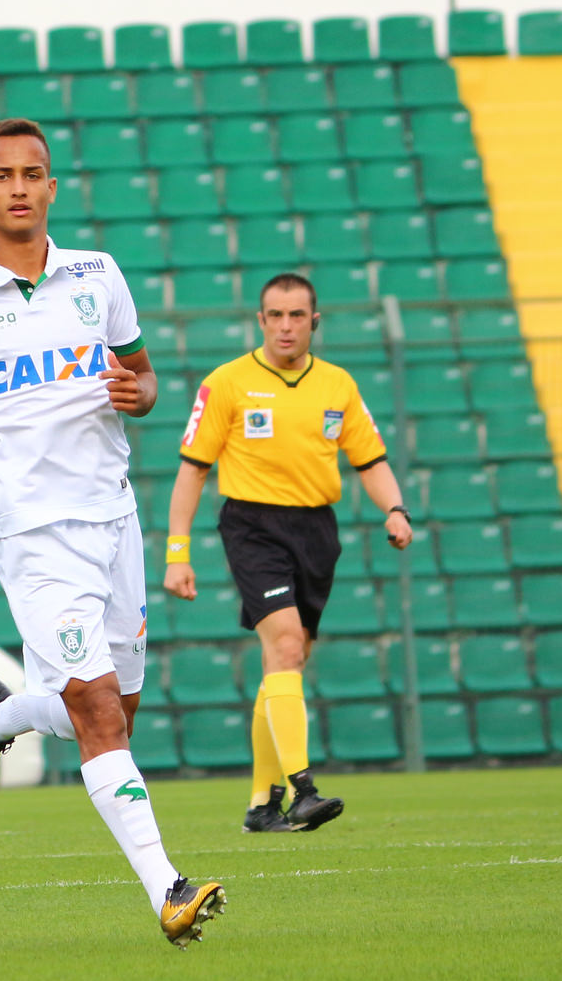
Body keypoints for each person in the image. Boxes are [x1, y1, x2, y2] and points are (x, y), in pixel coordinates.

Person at [0, 117, 225, 949]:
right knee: (98, 709)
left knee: (114, 715)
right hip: (33, 532)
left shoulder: (98, 276)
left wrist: (143, 393)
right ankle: (167, 887)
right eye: (4, 175)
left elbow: (141, 375)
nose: (20, 187)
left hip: (115, 519)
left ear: (52, 187)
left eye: (35, 173)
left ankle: (2, 716)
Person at [164, 273, 413, 834]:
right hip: (252, 525)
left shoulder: (338, 385)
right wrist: (177, 552)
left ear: (314, 321)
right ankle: (303, 790)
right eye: (274, 315)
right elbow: (191, 472)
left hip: (317, 529)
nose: (285, 326)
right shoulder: (227, 383)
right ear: (259, 320)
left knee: (287, 662)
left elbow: (369, 460)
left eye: (296, 315)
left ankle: (260, 805)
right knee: (283, 643)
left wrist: (396, 509)